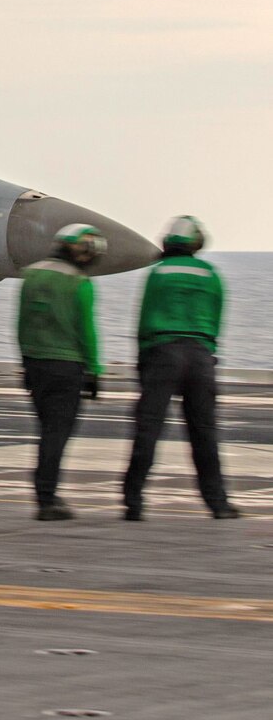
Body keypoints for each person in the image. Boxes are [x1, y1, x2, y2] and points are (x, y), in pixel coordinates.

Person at [122, 217, 240, 521]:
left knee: (148, 429)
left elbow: (144, 320)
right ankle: (218, 503)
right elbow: (215, 320)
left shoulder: (158, 273)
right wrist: (207, 353)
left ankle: (133, 501)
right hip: (200, 356)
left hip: (162, 353)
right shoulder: (211, 274)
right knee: (204, 433)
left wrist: (143, 362)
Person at [16, 223, 105, 521]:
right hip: (67, 367)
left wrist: (26, 363)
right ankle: (46, 497)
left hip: (35, 363)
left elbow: (21, 325)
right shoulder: (79, 283)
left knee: (47, 431)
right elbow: (87, 331)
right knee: (57, 434)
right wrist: (94, 371)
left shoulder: (31, 274)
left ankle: (46, 492)